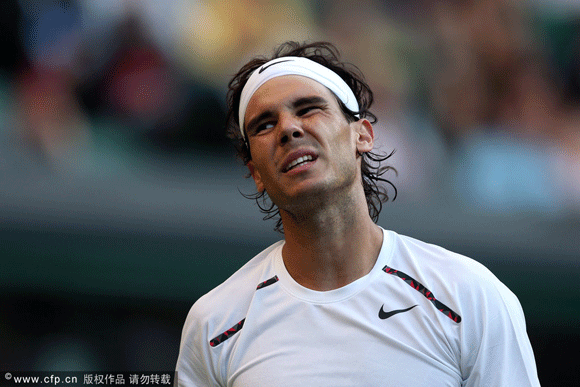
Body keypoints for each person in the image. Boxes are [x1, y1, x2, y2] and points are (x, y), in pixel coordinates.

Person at [176, 41, 540, 386]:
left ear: (362, 135)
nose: (288, 128)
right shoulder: (214, 325)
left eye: (307, 109)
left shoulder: (471, 296)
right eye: (265, 125)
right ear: (255, 172)